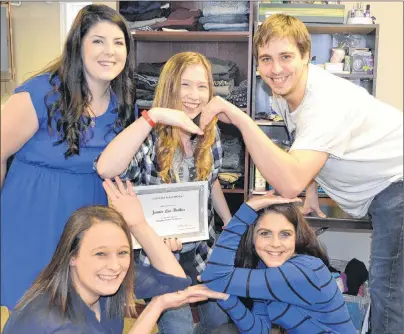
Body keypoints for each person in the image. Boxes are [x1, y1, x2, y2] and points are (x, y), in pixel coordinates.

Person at [199, 14, 403, 333]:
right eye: (266, 59)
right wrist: (310, 188)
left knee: (388, 293)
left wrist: (241, 119)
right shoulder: (286, 97)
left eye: (286, 57)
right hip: (381, 189)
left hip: (397, 184)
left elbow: (287, 180)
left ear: (307, 56)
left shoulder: (326, 102)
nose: (276, 69)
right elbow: (302, 150)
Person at [0, 4, 138, 309]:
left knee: (91, 311)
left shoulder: (125, 105)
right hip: (31, 222)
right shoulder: (40, 95)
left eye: (118, 42)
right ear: (79, 45)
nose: (109, 51)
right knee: (36, 313)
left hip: (89, 224)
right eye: (98, 41)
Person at [96, 51, 232, 333]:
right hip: (156, 257)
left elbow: (212, 181)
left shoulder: (210, 133)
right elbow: (106, 169)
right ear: (170, 86)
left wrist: (229, 222)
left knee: (219, 321)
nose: (194, 95)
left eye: (202, 86)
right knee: (178, 326)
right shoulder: (147, 135)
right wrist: (153, 117)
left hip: (201, 252)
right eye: (185, 84)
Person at [3, 177, 228, 334]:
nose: (114, 265)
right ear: (72, 257)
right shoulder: (52, 320)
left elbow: (175, 283)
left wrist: (139, 224)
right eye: (100, 253)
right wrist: (153, 308)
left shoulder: (106, 281)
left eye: (122, 252)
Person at [200, 192, 356, 333]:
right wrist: (225, 297)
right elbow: (259, 330)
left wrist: (246, 210)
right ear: (252, 238)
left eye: (285, 234)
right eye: (265, 233)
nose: (275, 243)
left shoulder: (303, 271)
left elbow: (215, 276)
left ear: (296, 237)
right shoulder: (266, 269)